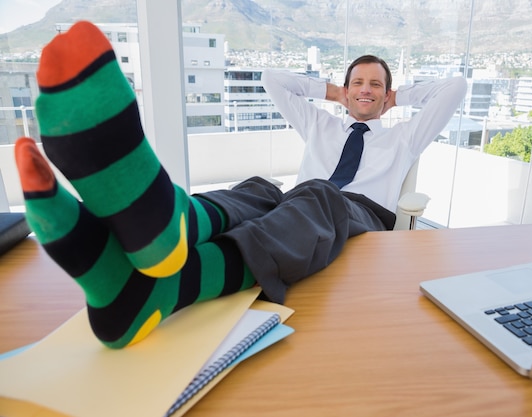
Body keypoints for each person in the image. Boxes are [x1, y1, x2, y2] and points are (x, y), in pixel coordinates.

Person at [14, 21, 466, 349]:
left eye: (376, 86)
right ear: (344, 90)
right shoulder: (322, 124)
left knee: (317, 194)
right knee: (261, 188)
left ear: (388, 94)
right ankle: (173, 227)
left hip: (361, 214)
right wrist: (335, 93)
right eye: (357, 83)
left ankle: (171, 283)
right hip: (299, 206)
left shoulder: (405, 136)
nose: (364, 90)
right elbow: (273, 80)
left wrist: (392, 100)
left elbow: (454, 88)